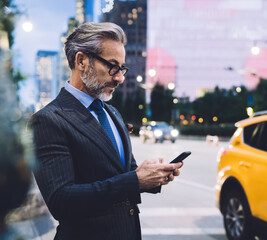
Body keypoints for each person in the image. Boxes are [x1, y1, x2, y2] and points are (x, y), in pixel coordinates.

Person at [30, 22, 183, 240]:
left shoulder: (112, 113)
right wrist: (135, 181)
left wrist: (153, 175)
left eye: (121, 68)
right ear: (81, 61)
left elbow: (124, 173)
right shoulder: (48, 120)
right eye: (112, 66)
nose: (119, 77)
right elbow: (61, 201)